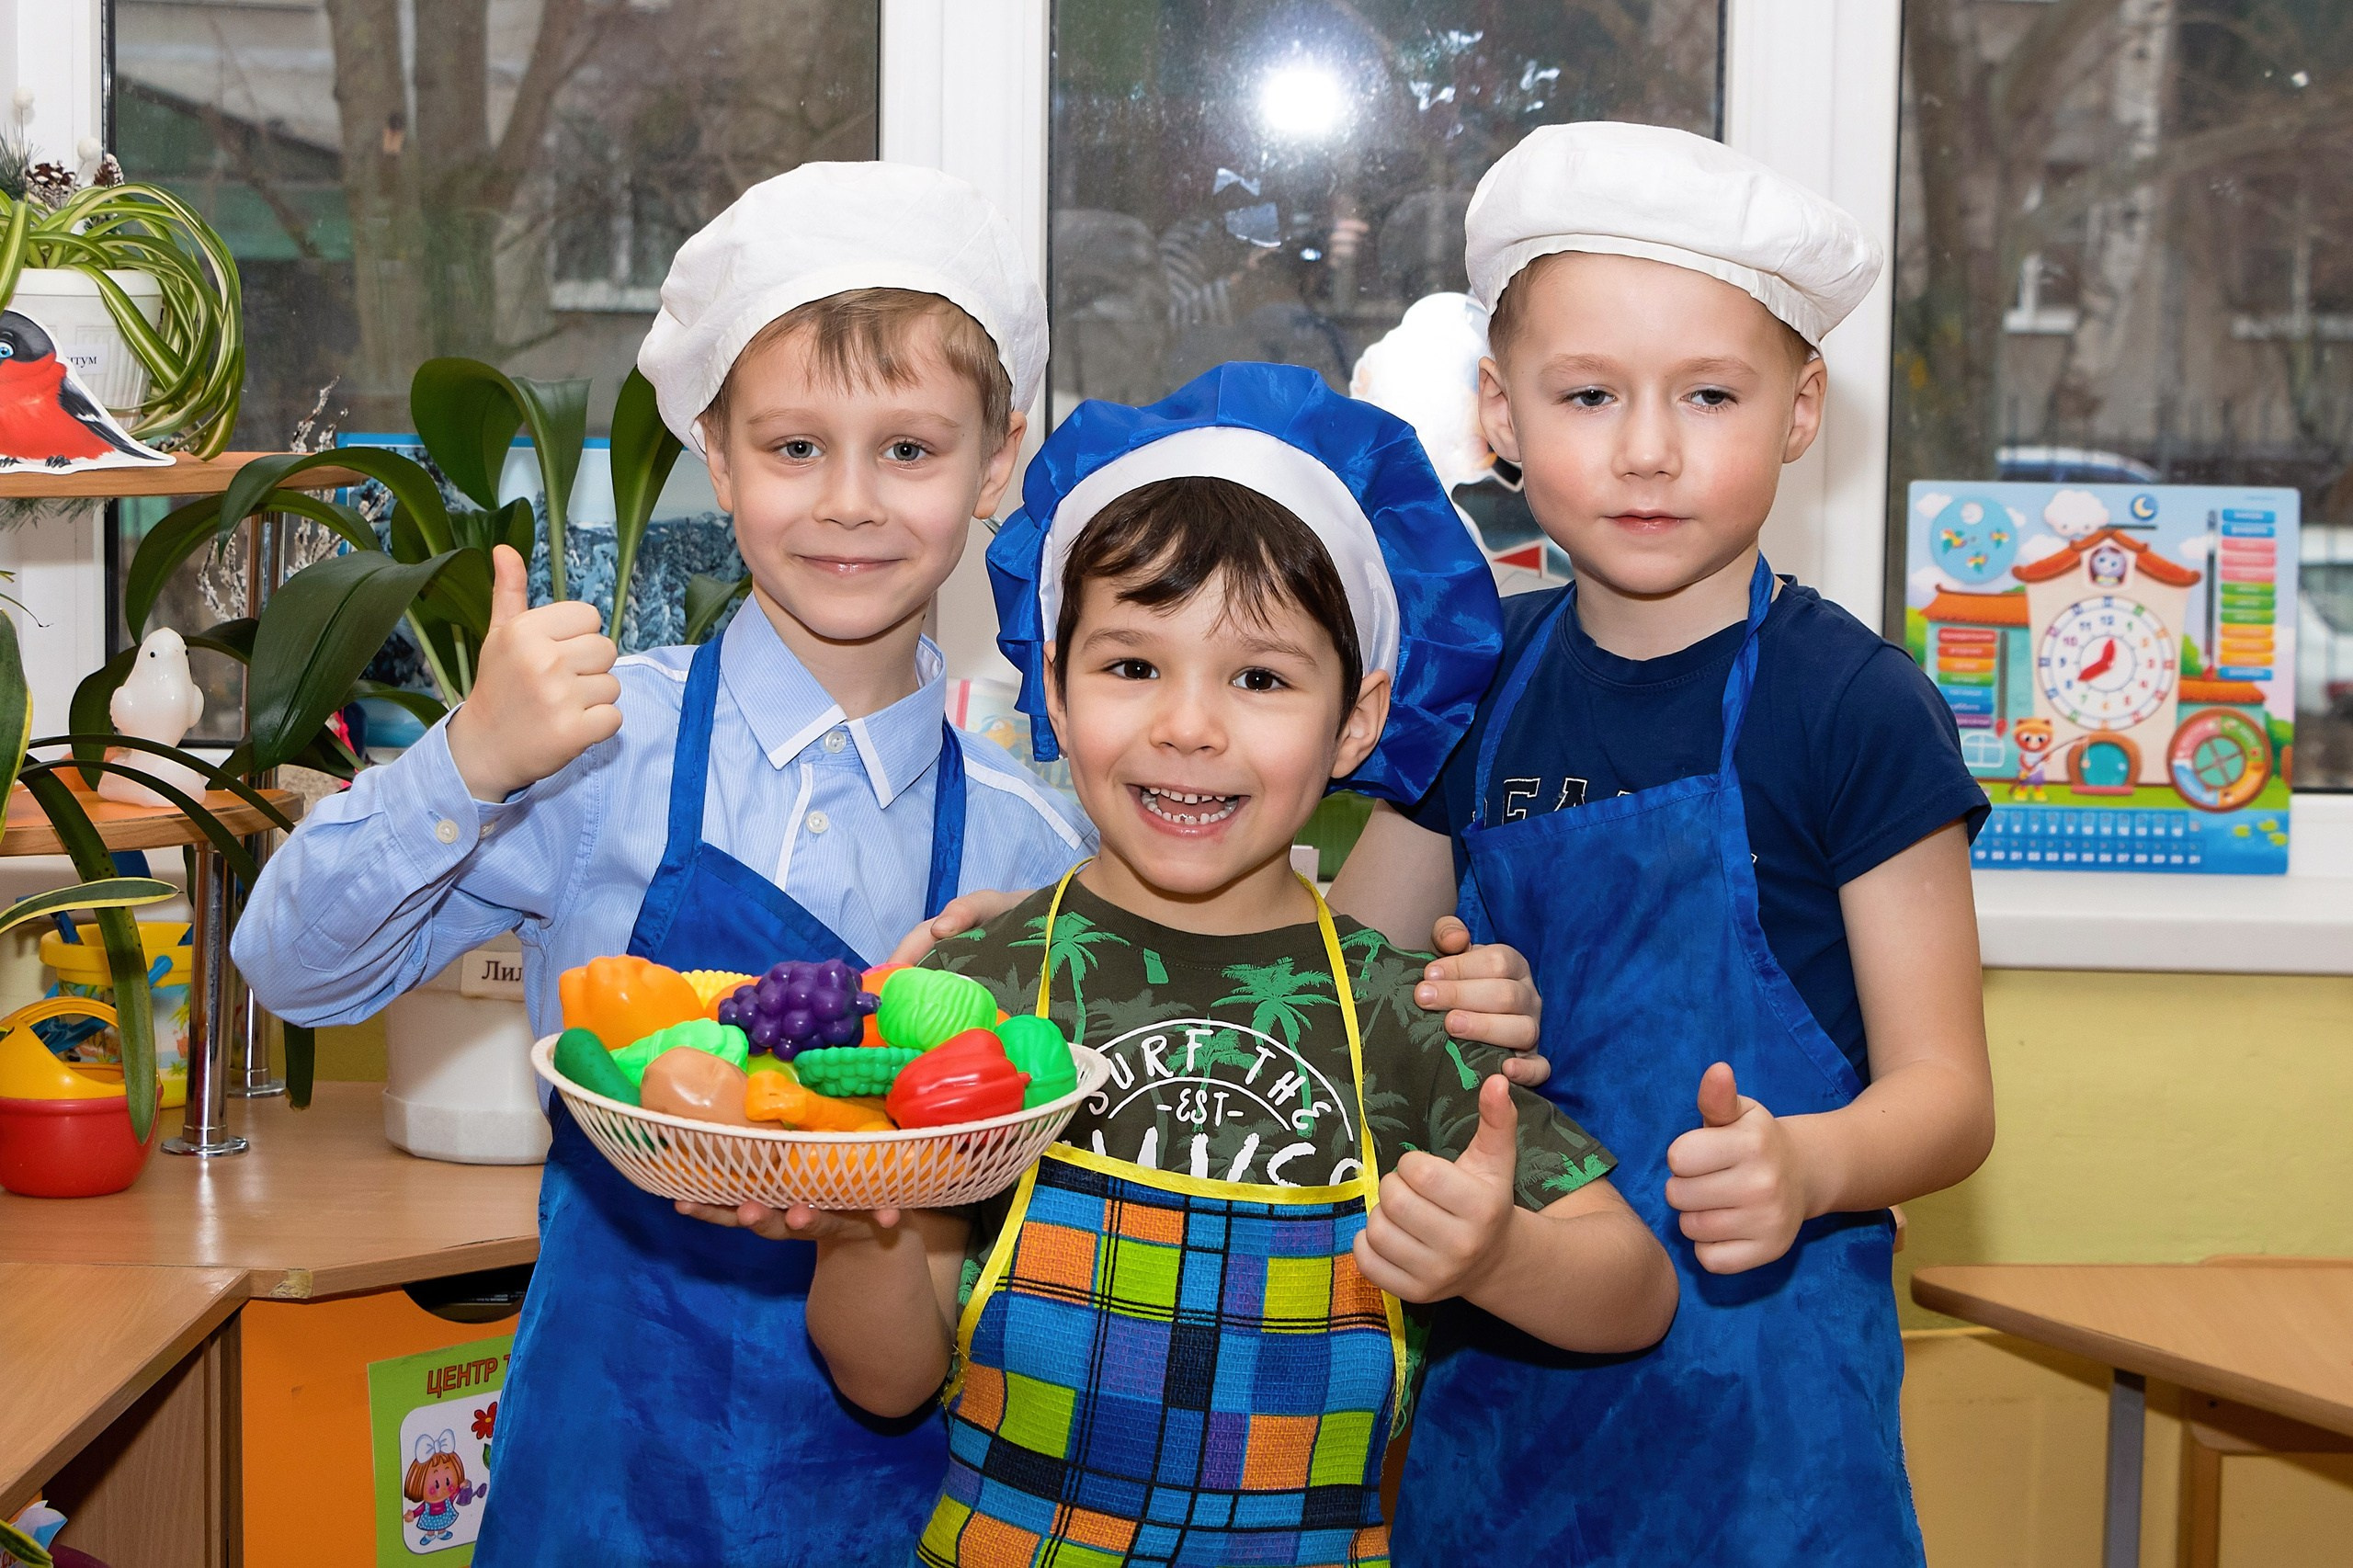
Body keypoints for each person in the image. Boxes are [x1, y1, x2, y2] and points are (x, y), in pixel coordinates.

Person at [234, 162, 1097, 1562]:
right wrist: (468, 757)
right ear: (715, 448)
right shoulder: (592, 750)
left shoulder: (1029, 840)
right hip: (599, 1477)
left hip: (882, 1498)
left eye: (913, 449)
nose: (851, 504)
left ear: (998, 459)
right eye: (795, 446)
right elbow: (289, 965)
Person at [696, 362, 1677, 1566]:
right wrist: (869, 1214)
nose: (1190, 725)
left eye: (1261, 677)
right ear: (1053, 687)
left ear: (1359, 720)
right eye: (1132, 665)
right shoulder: (979, 992)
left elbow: (1634, 1289)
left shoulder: (1403, 1009)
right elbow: (887, 1379)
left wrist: (1497, 1254)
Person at [1330, 123, 1997, 1564]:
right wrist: (1441, 1006)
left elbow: (1949, 1095)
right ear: (1499, 415)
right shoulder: (1472, 680)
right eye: (1587, 394)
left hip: (1770, 1433)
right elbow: (1340, 996)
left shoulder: (1855, 707)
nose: (1646, 448)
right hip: (1497, 1409)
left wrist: (1811, 1163)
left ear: (1803, 407)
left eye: (1709, 393)